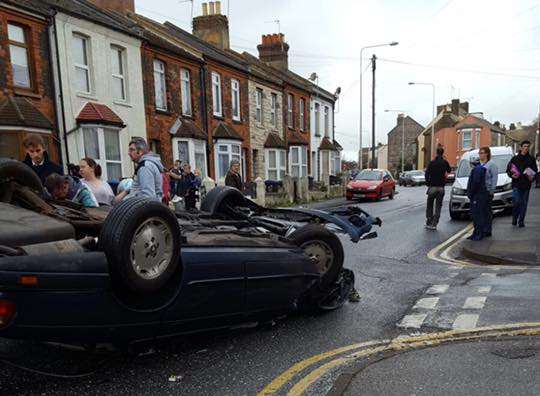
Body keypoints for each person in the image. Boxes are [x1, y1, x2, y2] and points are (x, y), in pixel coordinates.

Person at [115, 137, 164, 203]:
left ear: (140, 152)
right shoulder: (145, 165)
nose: (129, 153)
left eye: (132, 150)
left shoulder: (145, 167)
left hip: (142, 211)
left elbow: (148, 197)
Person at [506, 140, 538, 227]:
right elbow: (508, 170)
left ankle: (521, 221)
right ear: (521, 147)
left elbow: (535, 171)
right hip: (516, 184)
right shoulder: (514, 159)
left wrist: (533, 177)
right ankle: (515, 217)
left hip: (526, 185)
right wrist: (512, 175)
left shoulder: (531, 159)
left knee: (524, 203)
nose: (526, 148)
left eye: (528, 146)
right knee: (516, 202)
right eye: (524, 146)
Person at [424, 147, 451, 230]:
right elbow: (449, 170)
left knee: (430, 205)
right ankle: (435, 223)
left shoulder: (432, 163)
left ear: (436, 153)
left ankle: (429, 221)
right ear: (443, 153)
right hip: (441, 187)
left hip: (432, 186)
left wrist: (428, 183)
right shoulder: (444, 162)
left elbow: (426, 174)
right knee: (438, 206)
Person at [467, 154, 489, 241]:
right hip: (479, 195)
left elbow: (475, 183)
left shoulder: (477, 170)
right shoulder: (478, 169)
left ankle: (478, 234)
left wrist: (471, 193)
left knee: (478, 215)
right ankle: (476, 233)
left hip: (477, 196)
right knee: (476, 215)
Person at [480, 147, 498, 237]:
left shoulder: (492, 165)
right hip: (480, 192)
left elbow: (494, 179)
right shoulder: (480, 165)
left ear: (487, 154)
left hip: (488, 191)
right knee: (481, 211)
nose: (480, 155)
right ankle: (482, 229)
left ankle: (488, 230)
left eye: (482, 153)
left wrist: (492, 191)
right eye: (480, 153)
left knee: (487, 211)